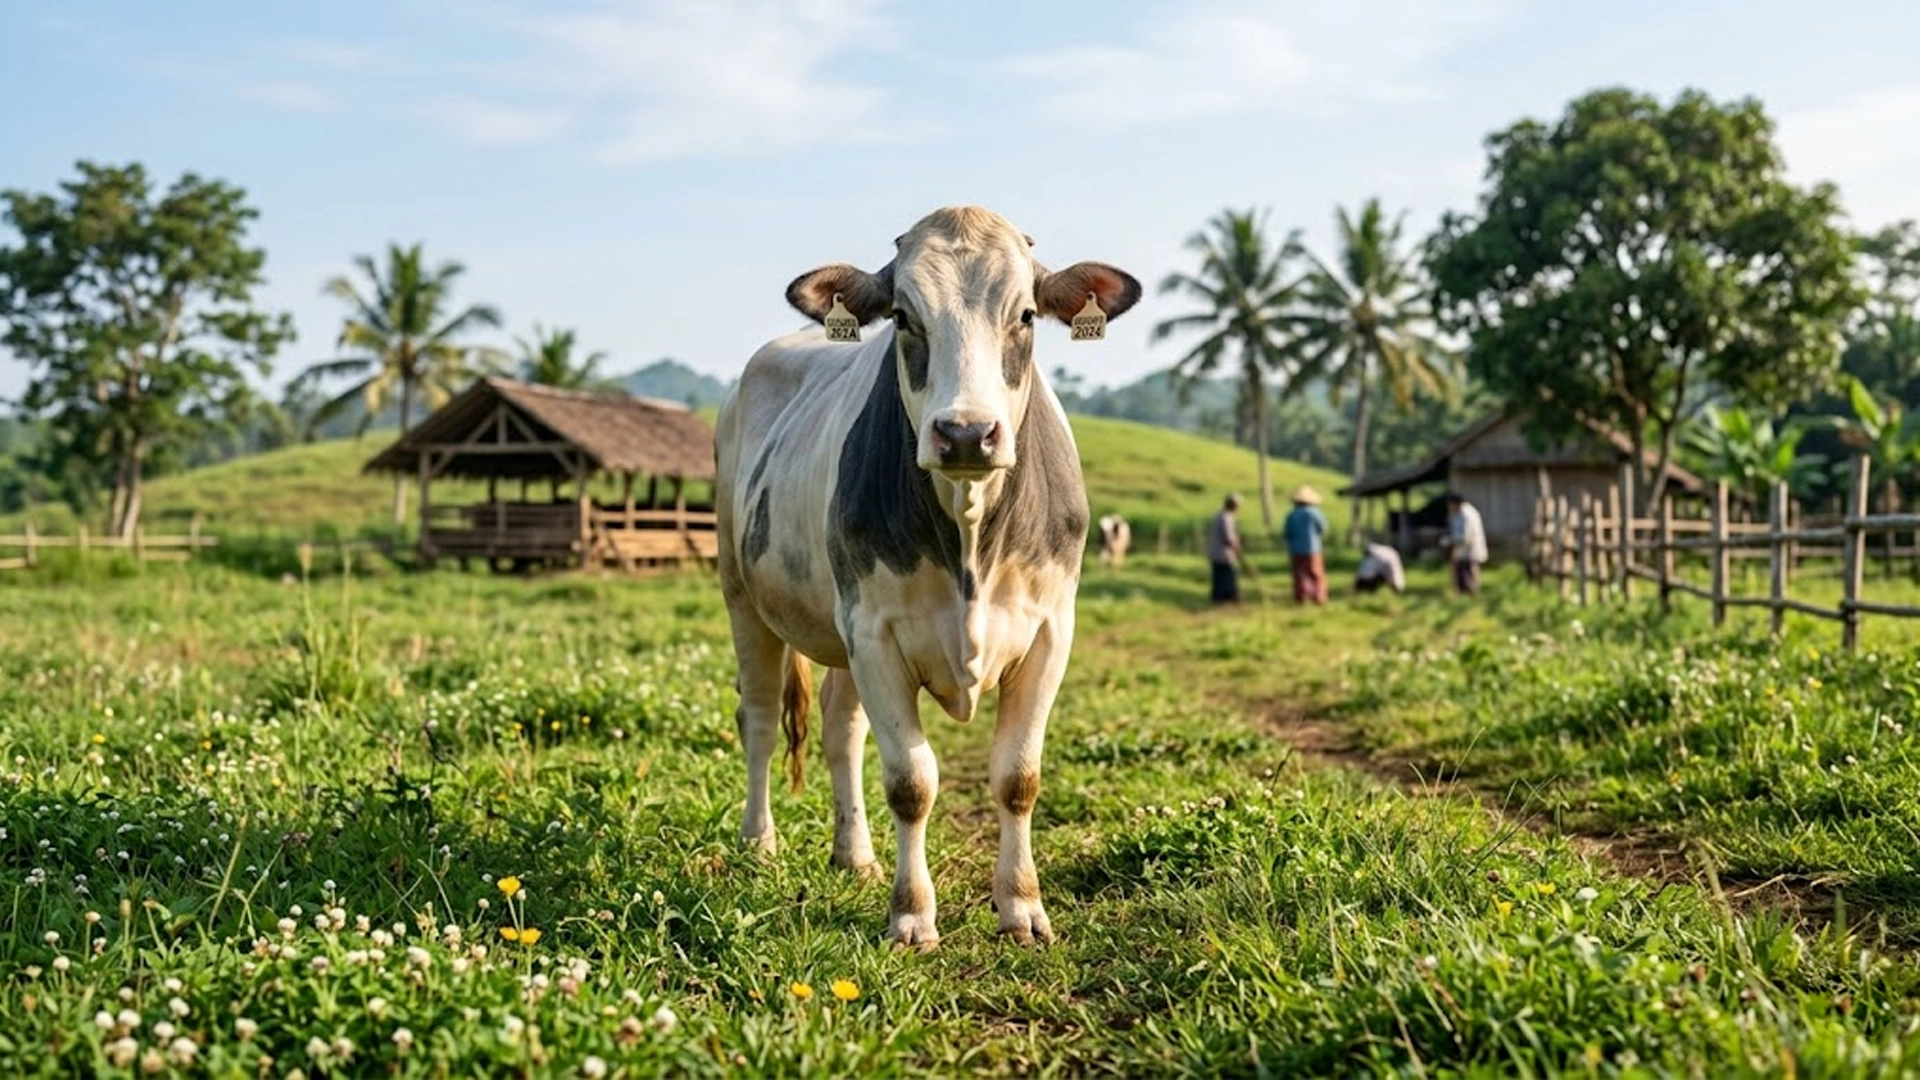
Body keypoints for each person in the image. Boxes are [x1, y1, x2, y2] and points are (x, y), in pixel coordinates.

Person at [1282, 485, 1329, 605]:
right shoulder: (1315, 513)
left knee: (1300, 574)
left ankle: (1302, 597)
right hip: (1313, 548)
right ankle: (1319, 597)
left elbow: (1287, 533)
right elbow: (1323, 528)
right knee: (1316, 573)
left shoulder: (1291, 515)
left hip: (1296, 549)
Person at [1443, 491, 1488, 596]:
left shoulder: (1467, 515)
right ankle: (1463, 596)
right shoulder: (1456, 513)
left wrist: (1449, 541)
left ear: (1455, 503)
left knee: (1470, 576)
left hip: (1471, 550)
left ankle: (1472, 597)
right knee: (1461, 576)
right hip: (1461, 551)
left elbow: (1465, 537)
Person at [1207, 494, 1242, 604]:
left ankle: (1217, 596)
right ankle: (1229, 596)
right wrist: (1236, 546)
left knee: (1218, 575)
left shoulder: (1218, 515)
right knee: (1228, 574)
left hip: (1215, 551)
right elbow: (1229, 537)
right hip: (1224, 553)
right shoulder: (1227, 517)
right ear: (1234, 505)